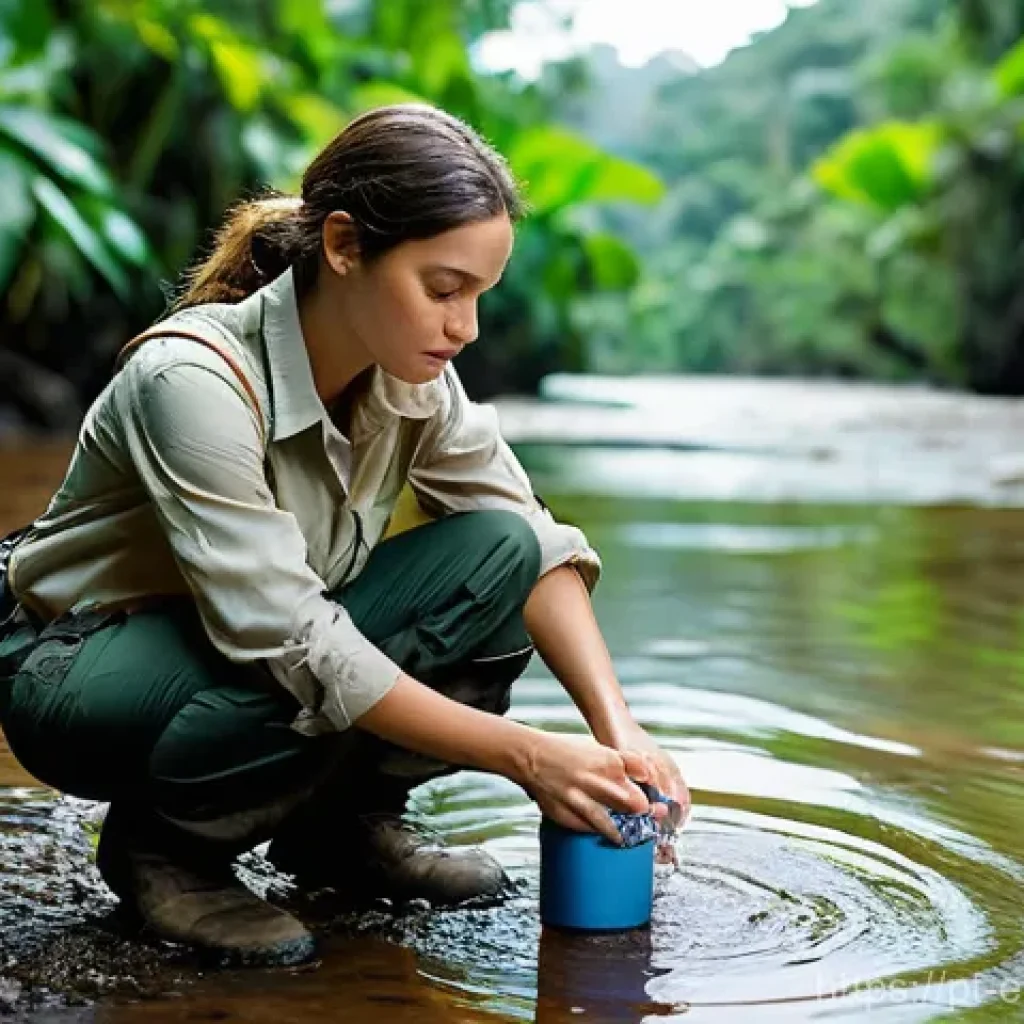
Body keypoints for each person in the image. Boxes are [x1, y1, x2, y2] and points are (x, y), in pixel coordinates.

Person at [0, 104, 689, 966]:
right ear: (342, 247)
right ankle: (165, 851)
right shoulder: (190, 379)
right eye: (443, 289)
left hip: (239, 648)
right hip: (84, 674)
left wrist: (617, 730)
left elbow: (536, 543)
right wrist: (531, 759)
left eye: (479, 295)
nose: (465, 327)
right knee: (301, 657)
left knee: (501, 553)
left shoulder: (413, 380)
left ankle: (337, 832)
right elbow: (287, 635)